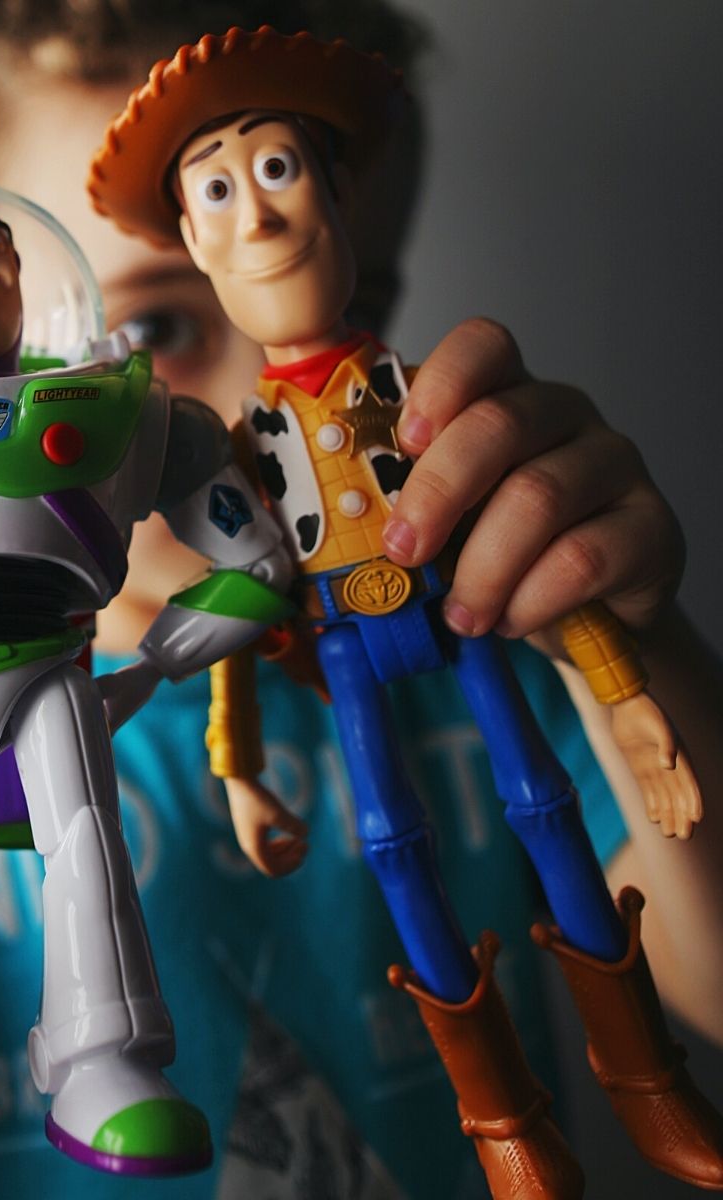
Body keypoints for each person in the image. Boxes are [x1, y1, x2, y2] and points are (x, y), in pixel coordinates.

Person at [0, 3, 723, 1198]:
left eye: (303, 284)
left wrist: (629, 629)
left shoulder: (490, 634)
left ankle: (107, 1059)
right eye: (149, 325)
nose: (256, 399)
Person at [86, 27, 723, 1196]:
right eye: (147, 334)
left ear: (334, 196)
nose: (265, 227)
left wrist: (634, 675)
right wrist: (239, 763)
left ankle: (647, 1077)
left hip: (464, 623)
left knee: (543, 796)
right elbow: (238, 605)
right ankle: (500, 1120)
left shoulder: (410, 406)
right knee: (396, 845)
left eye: (282, 175)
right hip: (339, 647)